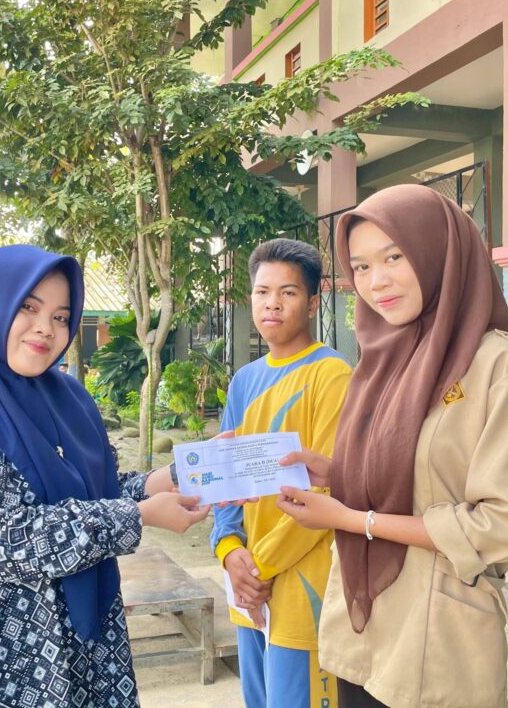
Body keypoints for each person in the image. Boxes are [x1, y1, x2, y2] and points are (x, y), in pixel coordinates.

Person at [275, 185, 508, 708]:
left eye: (394, 257)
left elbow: (503, 525)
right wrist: (335, 471)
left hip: (437, 639)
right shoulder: (382, 357)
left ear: (438, 253)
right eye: (360, 266)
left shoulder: (498, 365)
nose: (375, 281)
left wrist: (353, 520)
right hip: (363, 631)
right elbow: (415, 471)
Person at [0, 245, 209, 707]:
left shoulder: (67, 396)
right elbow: (8, 540)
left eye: (61, 316)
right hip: (9, 656)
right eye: (28, 308)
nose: (46, 328)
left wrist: (171, 477)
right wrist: (140, 516)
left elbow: (96, 491)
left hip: (93, 645)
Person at [210, 239, 352, 708]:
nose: (272, 303)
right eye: (262, 292)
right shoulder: (244, 380)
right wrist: (230, 551)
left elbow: (329, 490)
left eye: (288, 293)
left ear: (312, 303)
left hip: (302, 581)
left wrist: (260, 569)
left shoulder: (332, 374)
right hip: (247, 580)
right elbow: (224, 478)